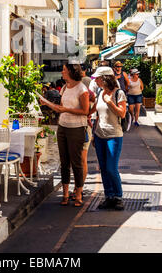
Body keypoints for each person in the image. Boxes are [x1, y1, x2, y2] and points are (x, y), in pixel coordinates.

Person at [39, 63, 89, 207]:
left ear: (71, 72)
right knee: (64, 161)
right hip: (63, 127)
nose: (62, 72)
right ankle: (66, 193)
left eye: (64, 70)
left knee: (76, 162)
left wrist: (67, 109)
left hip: (77, 128)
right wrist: (47, 104)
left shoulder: (82, 89)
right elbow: (61, 108)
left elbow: (85, 111)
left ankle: (78, 193)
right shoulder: (65, 88)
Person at [91, 66, 127, 211]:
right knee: (104, 169)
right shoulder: (99, 92)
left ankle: (118, 197)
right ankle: (109, 196)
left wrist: (109, 102)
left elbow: (122, 114)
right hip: (100, 135)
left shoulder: (119, 93)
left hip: (114, 135)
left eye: (98, 78)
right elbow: (96, 113)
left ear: (105, 78)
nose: (96, 81)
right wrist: (94, 133)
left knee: (111, 168)